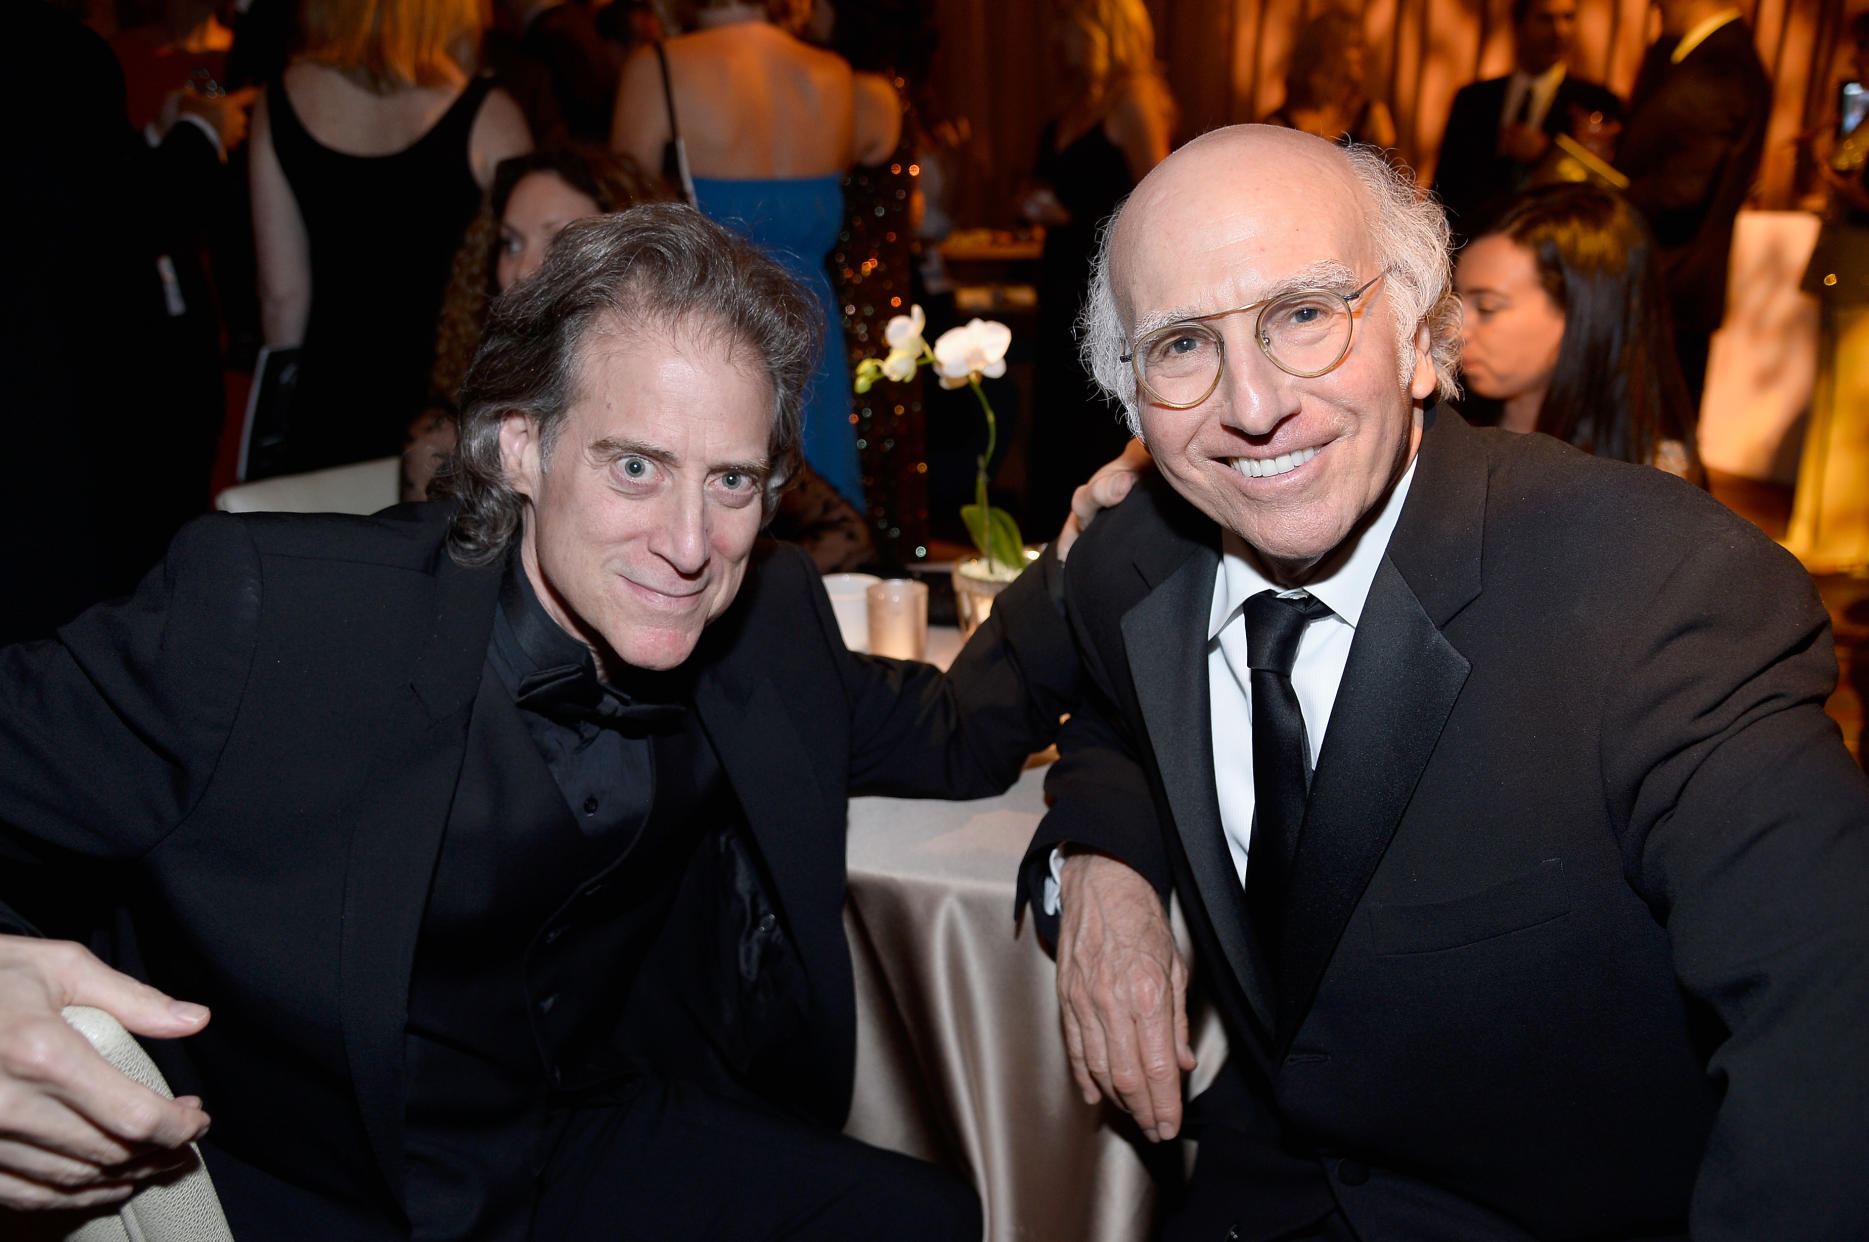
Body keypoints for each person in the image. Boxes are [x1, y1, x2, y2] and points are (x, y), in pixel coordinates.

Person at [0, 204, 1080, 1239]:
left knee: (924, 1214)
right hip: (329, 1181)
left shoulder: (765, 623)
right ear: (519, 447)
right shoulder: (274, 617)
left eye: (733, 481)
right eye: (635, 466)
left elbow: (953, 730)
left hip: (575, 1134)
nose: (691, 542)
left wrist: (1105, 549)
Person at [1018, 124, 1869, 1241]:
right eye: (1182, 344)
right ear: (1131, 396)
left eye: (1306, 315)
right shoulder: (1132, 564)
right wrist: (1103, 864)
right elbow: (1117, 721)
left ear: (1423, 340)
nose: (1254, 402)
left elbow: (1829, 1029)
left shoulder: (1658, 586)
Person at [413, 147, 873, 569]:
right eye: (511, 243)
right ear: (518, 441)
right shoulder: (447, 434)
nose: (521, 269)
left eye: (557, 243)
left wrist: (738, 580)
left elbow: (845, 532)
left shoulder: (697, 408)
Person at [610, 0, 900, 509]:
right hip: (813, 330)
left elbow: (618, 219)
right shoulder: (832, 73)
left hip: (712, 328)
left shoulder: (655, 70)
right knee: (819, 518)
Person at [250, 0, 532, 474]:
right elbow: (529, 287)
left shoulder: (280, 97)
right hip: (450, 411)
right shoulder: (491, 115)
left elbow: (282, 300)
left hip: (328, 402)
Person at [1021, 0, 1176, 537]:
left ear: (1099, 28)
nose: (1057, 35)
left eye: (1067, 21)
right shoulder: (1071, 105)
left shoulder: (1133, 101)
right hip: (1059, 284)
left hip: (1103, 291)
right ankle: (1050, 553)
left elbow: (1157, 203)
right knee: (1055, 428)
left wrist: (1076, 214)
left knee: (1093, 426)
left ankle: (1102, 554)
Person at [1454, 182, 1702, 480]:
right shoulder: (1445, 430)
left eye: (1487, 308)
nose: (1455, 331)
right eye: (1454, 302)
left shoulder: (1651, 477)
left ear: (1582, 314)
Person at [1615, 0, 1770, 408]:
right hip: (1663, 282)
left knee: (1654, 434)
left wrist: (1598, 189)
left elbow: (1682, 191)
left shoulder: (1722, 67)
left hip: (1671, 283)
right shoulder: (1691, 56)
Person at [1429, 0, 1621, 245]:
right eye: (1545, 19)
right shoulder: (1474, 99)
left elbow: (1599, 195)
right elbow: (1444, 188)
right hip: (1476, 243)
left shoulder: (1596, 103)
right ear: (1518, 25)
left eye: (1568, 18)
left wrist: (1546, 154)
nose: (1559, 31)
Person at [1262, 9, 1395, 150]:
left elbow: (1394, 168)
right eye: (1355, 44)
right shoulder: (1278, 124)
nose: (1364, 53)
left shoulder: (1372, 117)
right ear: (1328, 51)